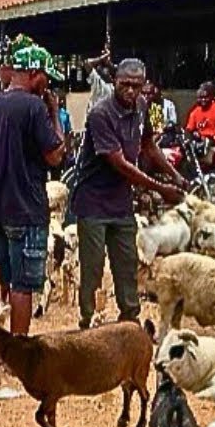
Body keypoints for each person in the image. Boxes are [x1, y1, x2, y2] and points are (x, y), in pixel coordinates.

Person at [71, 59, 186, 329]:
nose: (131, 91)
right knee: (93, 267)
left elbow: (148, 145)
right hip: (93, 202)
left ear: (144, 84)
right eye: (125, 84)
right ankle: (88, 322)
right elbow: (120, 164)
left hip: (121, 202)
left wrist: (175, 175)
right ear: (115, 82)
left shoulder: (142, 106)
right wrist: (161, 189)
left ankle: (129, 321)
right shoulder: (100, 114)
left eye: (137, 85)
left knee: (127, 263)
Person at [0, 42, 66, 363]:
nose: (48, 85)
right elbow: (55, 155)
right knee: (23, 284)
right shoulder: (34, 107)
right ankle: (17, 352)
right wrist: (55, 114)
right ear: (34, 73)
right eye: (46, 78)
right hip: (26, 209)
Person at [185, 82, 215, 168]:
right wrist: (194, 134)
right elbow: (189, 129)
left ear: (211, 97)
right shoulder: (195, 111)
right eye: (200, 98)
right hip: (201, 142)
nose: (203, 100)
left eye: (205, 97)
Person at [82, 48, 115, 113]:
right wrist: (104, 56)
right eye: (105, 70)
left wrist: (108, 61)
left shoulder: (114, 87)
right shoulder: (96, 80)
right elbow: (87, 63)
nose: (107, 73)